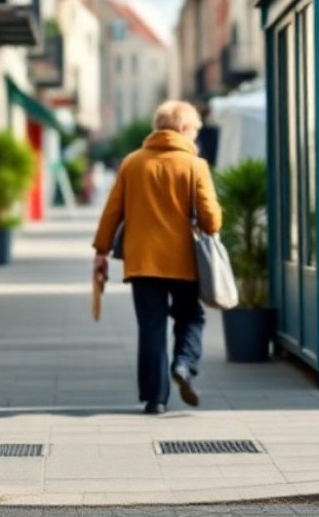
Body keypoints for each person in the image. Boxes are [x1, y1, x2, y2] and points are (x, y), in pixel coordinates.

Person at [92, 100, 222, 414]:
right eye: (194, 131)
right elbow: (212, 220)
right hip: (185, 262)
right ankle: (184, 365)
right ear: (181, 129)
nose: (195, 138)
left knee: (151, 327)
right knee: (190, 316)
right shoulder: (195, 165)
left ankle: (155, 399)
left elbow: (112, 212)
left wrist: (101, 252)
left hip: (143, 262)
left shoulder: (132, 163)